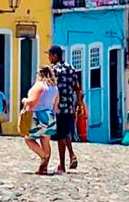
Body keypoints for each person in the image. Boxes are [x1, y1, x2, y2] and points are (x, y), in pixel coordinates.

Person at [48, 45, 83, 174]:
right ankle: (71, 156)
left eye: (50, 55)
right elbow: (77, 87)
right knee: (66, 132)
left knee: (60, 136)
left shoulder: (53, 70)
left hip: (58, 107)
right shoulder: (71, 68)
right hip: (69, 106)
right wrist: (79, 104)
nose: (49, 58)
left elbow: (50, 88)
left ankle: (62, 165)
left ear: (55, 56)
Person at [23, 66, 58, 175]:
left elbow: (32, 101)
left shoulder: (39, 86)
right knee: (45, 140)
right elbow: (56, 104)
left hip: (38, 116)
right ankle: (44, 167)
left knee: (29, 139)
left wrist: (25, 100)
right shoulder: (54, 87)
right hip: (50, 116)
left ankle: (43, 156)